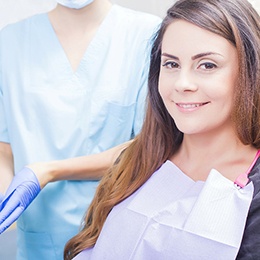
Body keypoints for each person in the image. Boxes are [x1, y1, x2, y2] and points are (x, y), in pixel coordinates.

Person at [62, 0, 260, 259]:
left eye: (207, 65)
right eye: (171, 64)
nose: (182, 83)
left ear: (249, 71)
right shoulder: (138, 160)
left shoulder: (254, 192)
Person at [0, 0, 161, 259]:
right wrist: (6, 199)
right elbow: (3, 147)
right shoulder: (9, 41)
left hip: (112, 229)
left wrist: (47, 171)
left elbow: (149, 145)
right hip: (37, 238)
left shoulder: (145, 35)